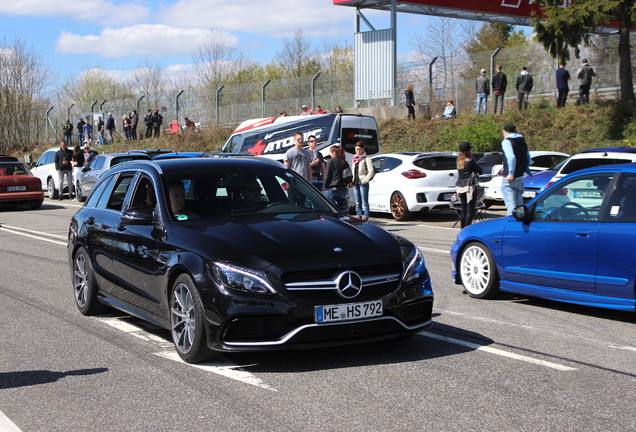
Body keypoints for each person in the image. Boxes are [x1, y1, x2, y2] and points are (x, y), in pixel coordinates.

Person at [501, 124, 532, 216]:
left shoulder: (506, 142)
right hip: (520, 177)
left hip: (510, 178)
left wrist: (511, 173)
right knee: (519, 206)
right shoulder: (523, 143)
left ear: (506, 132)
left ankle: (511, 226)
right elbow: (529, 159)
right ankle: (519, 225)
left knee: (511, 206)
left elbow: (511, 158)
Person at [455, 142, 483, 228]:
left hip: (460, 185)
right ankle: (468, 227)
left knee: (463, 208)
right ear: (468, 151)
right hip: (470, 185)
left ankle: (462, 227)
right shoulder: (470, 160)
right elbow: (480, 170)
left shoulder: (459, 160)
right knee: (470, 209)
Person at [351, 141, 375, 221]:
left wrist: (365, 180)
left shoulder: (366, 158)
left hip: (363, 182)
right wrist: (352, 180)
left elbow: (371, 171)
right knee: (357, 201)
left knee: (364, 201)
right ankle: (359, 214)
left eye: (359, 149)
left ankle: (366, 215)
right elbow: (353, 171)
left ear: (363, 149)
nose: (358, 151)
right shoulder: (354, 159)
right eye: (356, 149)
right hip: (355, 182)